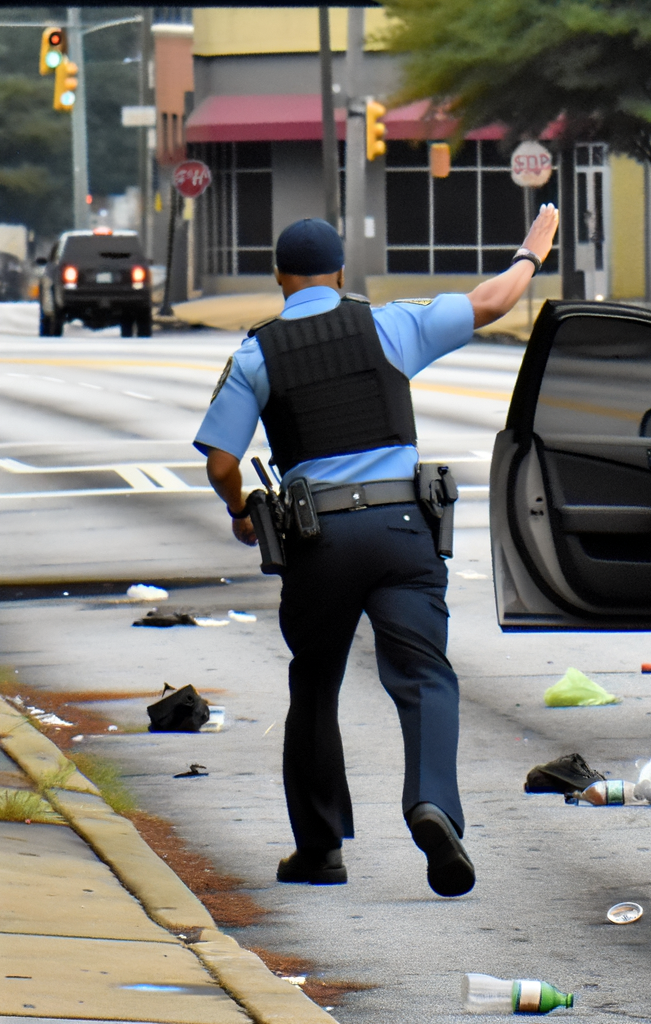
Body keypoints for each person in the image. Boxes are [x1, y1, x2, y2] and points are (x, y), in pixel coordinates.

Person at [194, 205, 559, 897]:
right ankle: (431, 805)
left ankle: (321, 849)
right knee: (424, 677)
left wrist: (242, 510)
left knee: (315, 687)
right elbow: (495, 300)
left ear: (279, 278)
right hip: (401, 532)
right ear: (340, 273)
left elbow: (219, 462)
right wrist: (531, 251)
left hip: (317, 542)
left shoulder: (255, 355)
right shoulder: (391, 324)